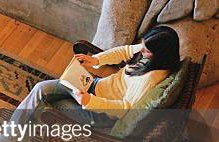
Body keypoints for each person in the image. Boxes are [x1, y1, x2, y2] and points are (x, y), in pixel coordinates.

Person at [14, 26, 181, 126]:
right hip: (96, 87)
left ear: (160, 55)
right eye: (143, 46)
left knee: (49, 102)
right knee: (41, 89)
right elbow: (124, 51)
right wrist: (96, 59)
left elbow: (125, 110)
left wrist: (90, 101)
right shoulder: (150, 53)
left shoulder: (150, 79)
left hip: (100, 115)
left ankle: (12, 137)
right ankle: (14, 134)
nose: (141, 50)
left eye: (146, 50)